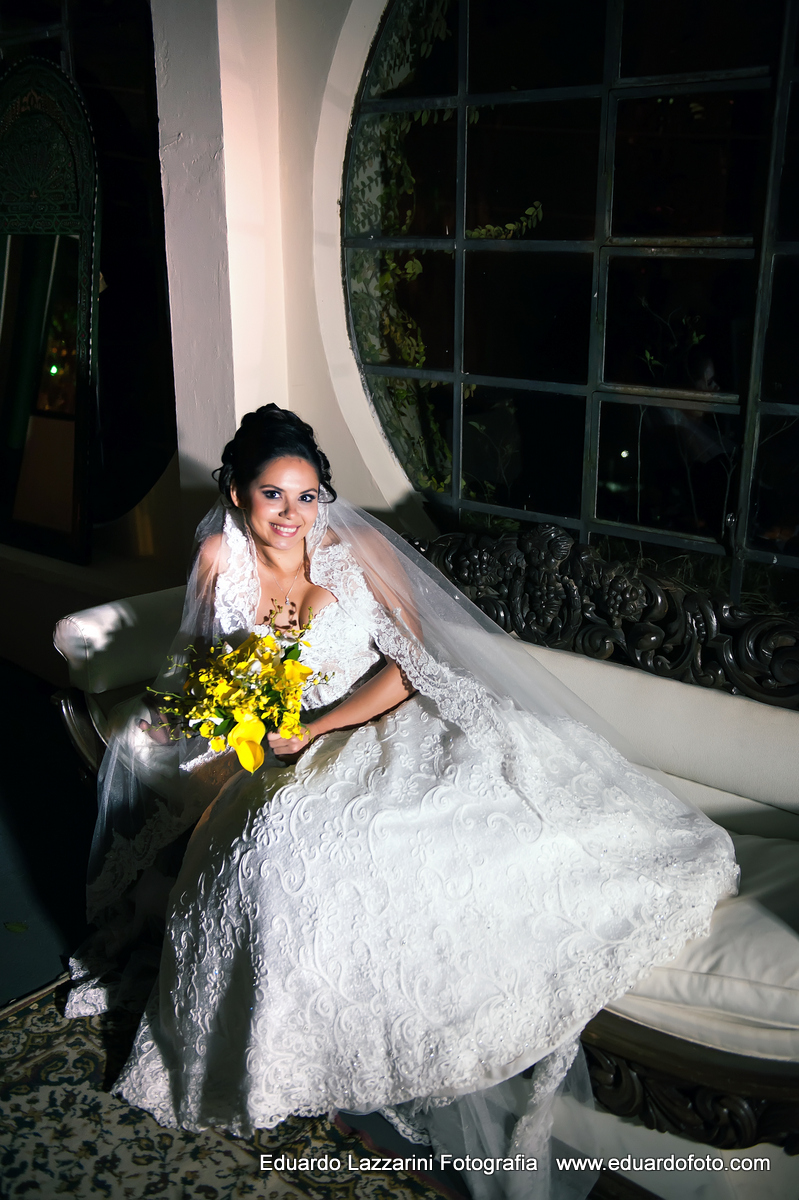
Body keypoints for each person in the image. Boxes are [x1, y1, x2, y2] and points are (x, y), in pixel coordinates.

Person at [69, 405, 738, 1200]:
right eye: (273, 496)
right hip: (283, 738)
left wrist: (319, 721)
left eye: (308, 495)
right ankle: (276, 1048)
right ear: (237, 492)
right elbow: (214, 658)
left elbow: (411, 661)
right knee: (276, 843)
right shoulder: (220, 554)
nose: (292, 516)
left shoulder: (355, 546)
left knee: (443, 825)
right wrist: (245, 705)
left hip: (382, 713)